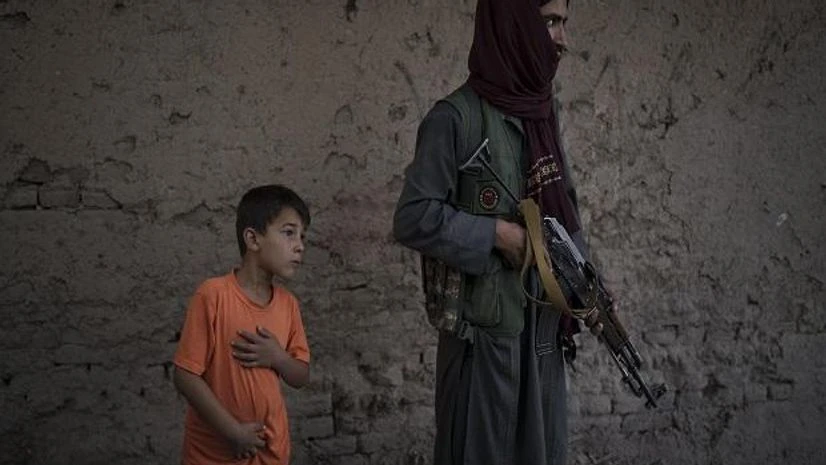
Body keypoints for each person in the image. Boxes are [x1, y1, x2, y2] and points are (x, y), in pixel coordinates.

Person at [393, 0, 605, 464]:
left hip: (543, 339)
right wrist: (494, 235)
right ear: (514, 23)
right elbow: (413, 217)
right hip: (484, 344)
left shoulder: (542, 113)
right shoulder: (454, 119)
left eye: (564, 23)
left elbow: (564, 209)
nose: (562, 39)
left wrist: (586, 284)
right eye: (550, 21)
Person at [173, 184, 311, 465]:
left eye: (302, 236)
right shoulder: (213, 296)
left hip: (270, 451)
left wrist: (279, 358)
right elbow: (185, 375)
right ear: (253, 239)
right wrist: (232, 432)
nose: (300, 246)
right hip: (213, 455)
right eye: (289, 233)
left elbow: (301, 376)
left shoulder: (288, 305)